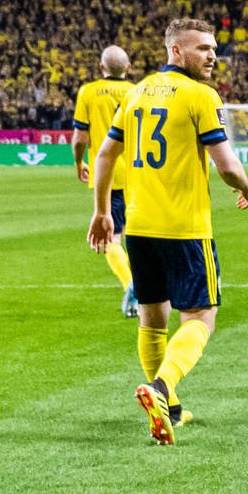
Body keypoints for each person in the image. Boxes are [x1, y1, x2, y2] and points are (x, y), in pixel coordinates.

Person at [87, 18, 248, 444]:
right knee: (201, 318)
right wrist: (244, 185)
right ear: (176, 52)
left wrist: (103, 212)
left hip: (139, 227)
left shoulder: (138, 91)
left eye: (214, 48)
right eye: (202, 48)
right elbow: (227, 166)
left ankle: (171, 410)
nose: (212, 55)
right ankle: (161, 388)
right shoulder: (201, 95)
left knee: (152, 320)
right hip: (185, 228)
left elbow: (105, 154)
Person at [73, 46, 137, 316]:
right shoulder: (139, 91)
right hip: (141, 174)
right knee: (143, 236)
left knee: (113, 240)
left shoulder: (88, 91)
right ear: (129, 67)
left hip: (109, 175)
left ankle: (131, 285)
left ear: (101, 68)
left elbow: (80, 139)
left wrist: (79, 163)